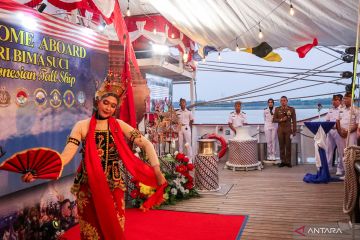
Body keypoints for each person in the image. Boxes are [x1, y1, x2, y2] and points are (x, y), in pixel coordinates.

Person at [22, 76, 167, 240]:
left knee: (114, 229)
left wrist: (157, 172)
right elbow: (65, 156)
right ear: (98, 101)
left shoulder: (119, 126)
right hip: (88, 186)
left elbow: (147, 144)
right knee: (91, 232)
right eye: (106, 103)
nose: (108, 108)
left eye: (113, 106)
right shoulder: (81, 126)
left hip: (114, 185)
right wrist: (39, 172)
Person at [337, 92, 358, 176]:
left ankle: (351, 175)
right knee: (342, 153)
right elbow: (337, 121)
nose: (344, 100)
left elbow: (357, 124)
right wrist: (340, 132)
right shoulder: (341, 109)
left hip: (351, 134)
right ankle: (345, 173)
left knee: (350, 154)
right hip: (341, 134)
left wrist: (347, 131)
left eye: (346, 98)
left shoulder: (356, 110)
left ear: (351, 99)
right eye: (344, 99)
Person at [273, 96, 296, 168]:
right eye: (281, 101)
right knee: (281, 146)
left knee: (288, 146)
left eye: (284, 100)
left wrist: (294, 130)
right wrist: (281, 119)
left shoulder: (291, 109)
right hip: (280, 130)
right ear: (280, 102)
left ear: (287, 101)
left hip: (288, 129)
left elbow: (294, 121)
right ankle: (283, 161)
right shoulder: (277, 109)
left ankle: (288, 162)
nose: (283, 102)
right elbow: (274, 120)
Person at [325, 94, 343, 172]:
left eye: (336, 100)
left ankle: (340, 168)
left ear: (340, 101)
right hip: (330, 131)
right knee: (328, 150)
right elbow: (327, 120)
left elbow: (344, 121)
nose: (334, 101)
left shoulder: (343, 110)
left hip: (339, 131)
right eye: (333, 100)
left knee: (341, 150)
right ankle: (328, 167)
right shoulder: (330, 110)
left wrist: (338, 128)